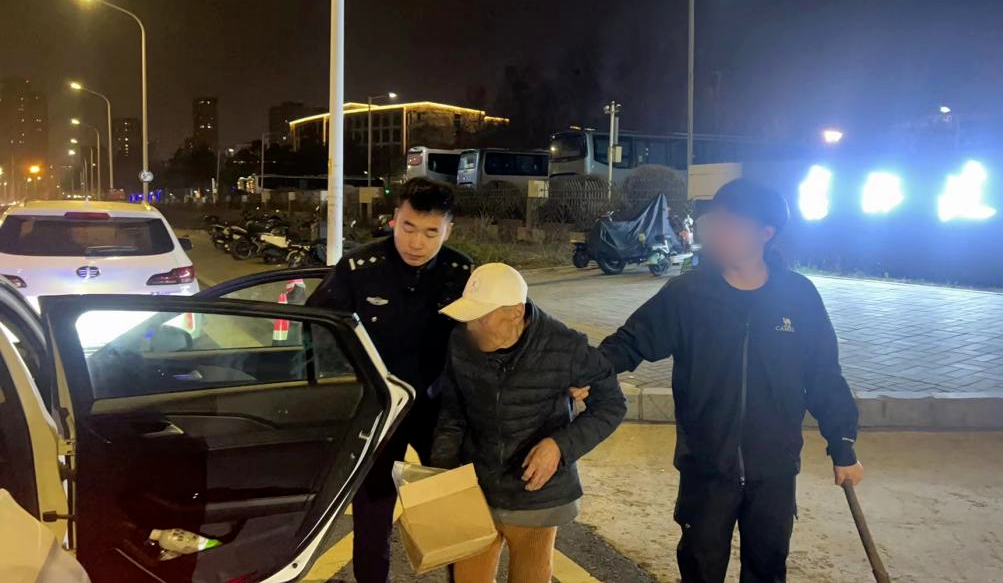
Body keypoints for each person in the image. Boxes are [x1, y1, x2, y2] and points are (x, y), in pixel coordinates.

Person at [598, 179, 865, 583]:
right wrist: (588, 372)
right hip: (705, 466)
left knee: (767, 567)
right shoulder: (689, 294)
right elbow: (631, 342)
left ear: (764, 233)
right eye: (716, 221)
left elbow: (823, 375)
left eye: (731, 223)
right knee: (700, 569)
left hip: (774, 468)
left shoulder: (798, 296)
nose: (718, 232)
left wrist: (842, 445)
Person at [306, 178, 472, 583]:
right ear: (394, 218)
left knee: (454, 512)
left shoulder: (462, 273)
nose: (417, 242)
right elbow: (317, 330)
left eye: (431, 232)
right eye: (408, 227)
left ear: (448, 230)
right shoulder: (359, 269)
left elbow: (507, 327)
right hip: (379, 409)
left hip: (440, 411)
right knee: (372, 511)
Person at [432, 263, 627, 583]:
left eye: (481, 317)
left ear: (515, 313)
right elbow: (452, 414)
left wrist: (560, 446)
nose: (472, 327)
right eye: (468, 316)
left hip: (535, 495)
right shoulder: (460, 341)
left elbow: (612, 404)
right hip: (476, 487)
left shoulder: (565, 346)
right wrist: (442, 477)